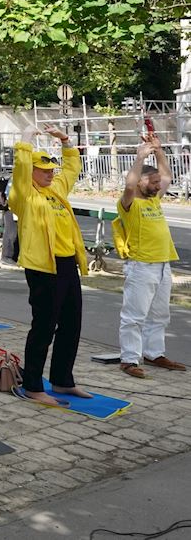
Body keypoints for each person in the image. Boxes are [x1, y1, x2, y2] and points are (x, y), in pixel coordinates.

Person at [10, 126, 91, 406]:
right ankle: (33, 385)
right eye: (43, 169)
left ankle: (62, 380)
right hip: (43, 267)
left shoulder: (56, 189)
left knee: (71, 323)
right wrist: (26, 140)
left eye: (50, 169)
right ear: (31, 171)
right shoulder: (23, 196)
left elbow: (71, 167)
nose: (50, 173)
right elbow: (19, 170)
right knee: (44, 325)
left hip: (67, 264)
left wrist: (65, 140)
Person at [114, 134, 185, 377]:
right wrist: (139, 158)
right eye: (152, 182)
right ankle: (129, 359)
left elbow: (167, 176)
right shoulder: (130, 203)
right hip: (141, 265)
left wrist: (159, 150)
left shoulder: (154, 200)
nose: (158, 185)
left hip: (163, 264)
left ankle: (154, 353)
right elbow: (129, 185)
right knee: (134, 315)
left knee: (160, 314)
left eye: (157, 182)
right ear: (141, 181)